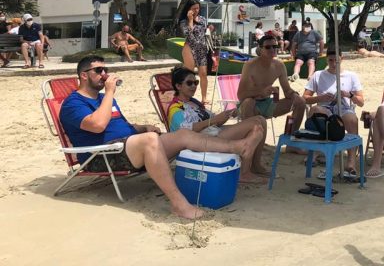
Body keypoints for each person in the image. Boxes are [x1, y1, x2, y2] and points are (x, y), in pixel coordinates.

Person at [59, 56, 262, 219]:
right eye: (99, 71)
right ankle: (179, 205)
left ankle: (238, 147)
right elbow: (98, 125)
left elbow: (120, 125)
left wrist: (141, 127)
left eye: (105, 70)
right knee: (150, 140)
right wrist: (111, 92)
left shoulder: (103, 99)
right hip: (103, 156)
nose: (104, 74)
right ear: (83, 76)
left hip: (127, 147)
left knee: (183, 135)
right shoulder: (72, 104)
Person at [167, 67, 268, 182]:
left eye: (196, 82)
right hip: (203, 141)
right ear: (178, 86)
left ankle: (254, 166)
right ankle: (245, 173)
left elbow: (214, 122)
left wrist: (225, 116)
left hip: (214, 132)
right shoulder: (175, 109)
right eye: (189, 83)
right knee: (255, 125)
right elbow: (185, 131)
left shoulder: (194, 103)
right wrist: (213, 121)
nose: (194, 86)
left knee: (260, 121)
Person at [303, 47, 365, 178]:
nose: (333, 63)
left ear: (341, 59)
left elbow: (361, 102)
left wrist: (349, 95)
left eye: (335, 60)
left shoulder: (351, 76)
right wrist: (321, 97)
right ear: (326, 60)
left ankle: (351, 161)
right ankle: (315, 153)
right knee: (315, 110)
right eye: (330, 60)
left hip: (343, 108)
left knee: (352, 120)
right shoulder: (318, 75)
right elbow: (305, 98)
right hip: (325, 108)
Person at [238, 34, 307, 132]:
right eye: (267, 47)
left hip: (268, 103)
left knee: (301, 102)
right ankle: (251, 141)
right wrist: (261, 92)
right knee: (249, 102)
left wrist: (294, 95)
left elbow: (287, 90)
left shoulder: (279, 65)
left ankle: (290, 137)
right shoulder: (250, 65)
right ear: (260, 49)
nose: (272, 49)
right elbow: (241, 95)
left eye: (274, 46)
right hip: (249, 106)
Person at [178, 0, 210, 105]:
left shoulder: (203, 19)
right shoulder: (183, 21)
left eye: (198, 8)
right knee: (189, 75)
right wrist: (190, 20)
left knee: (203, 74)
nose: (196, 10)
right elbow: (188, 34)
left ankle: (204, 98)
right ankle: (186, 97)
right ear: (188, 9)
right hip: (189, 48)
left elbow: (204, 33)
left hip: (201, 48)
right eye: (193, 8)